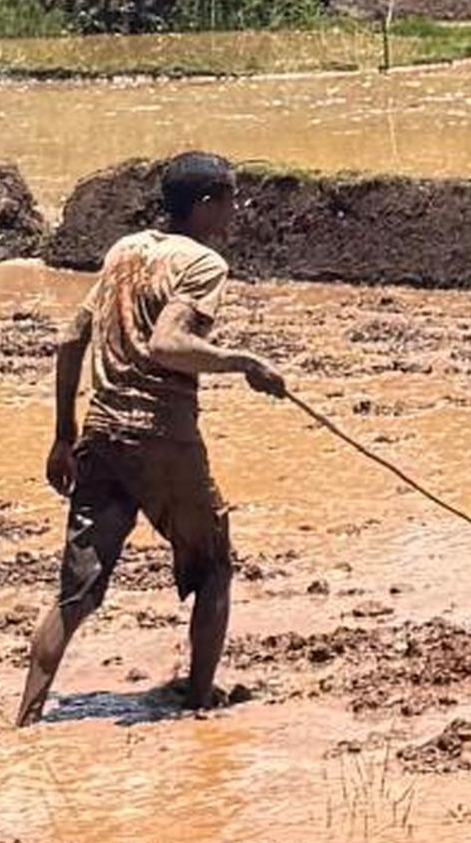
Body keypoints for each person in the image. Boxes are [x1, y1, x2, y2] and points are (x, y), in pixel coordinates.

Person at [15, 157, 287, 724]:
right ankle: (198, 708)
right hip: (162, 436)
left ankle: (24, 720)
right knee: (213, 564)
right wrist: (243, 363)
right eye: (230, 200)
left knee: (75, 592)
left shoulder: (125, 250)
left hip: (102, 432)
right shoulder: (206, 264)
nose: (234, 211)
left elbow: (71, 338)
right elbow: (168, 346)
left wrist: (63, 436)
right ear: (206, 204)